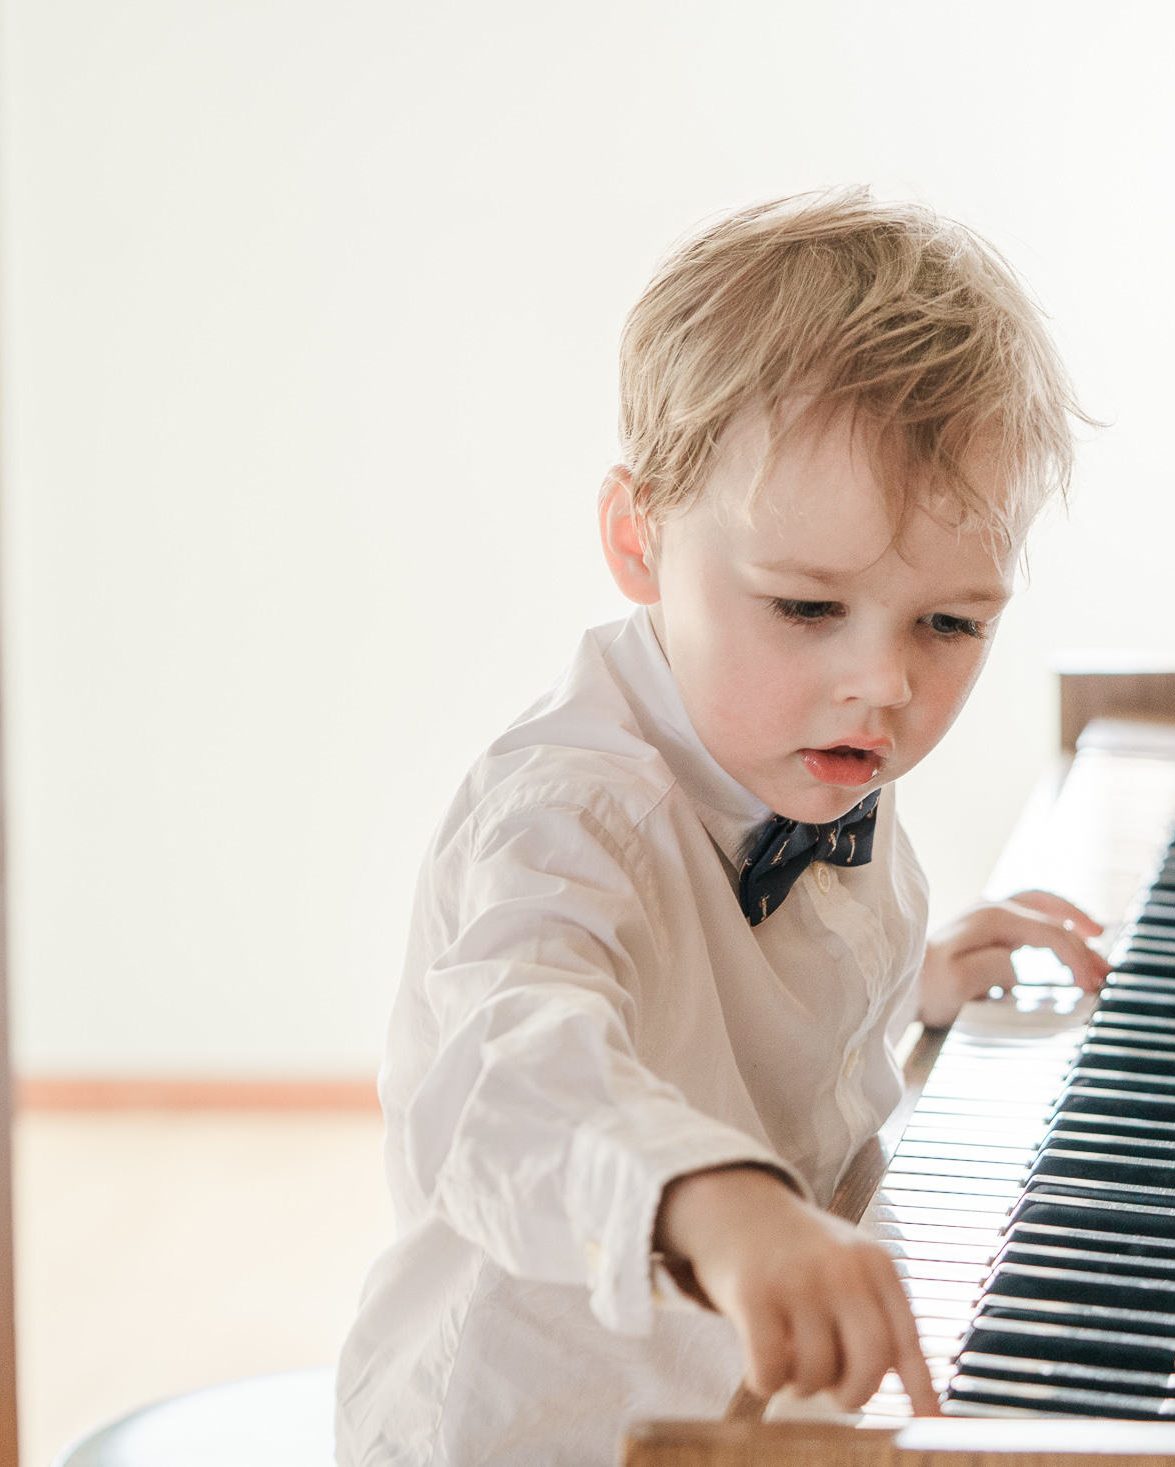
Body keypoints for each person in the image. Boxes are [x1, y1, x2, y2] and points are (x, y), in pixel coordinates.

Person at [335, 189, 1110, 1467]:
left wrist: (894, 985)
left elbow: (735, 1020)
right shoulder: (570, 812)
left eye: (950, 624)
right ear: (638, 540)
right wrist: (714, 1201)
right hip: (543, 1427)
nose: (885, 682)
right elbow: (503, 1077)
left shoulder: (809, 739)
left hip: (751, 1398)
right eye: (808, 609)